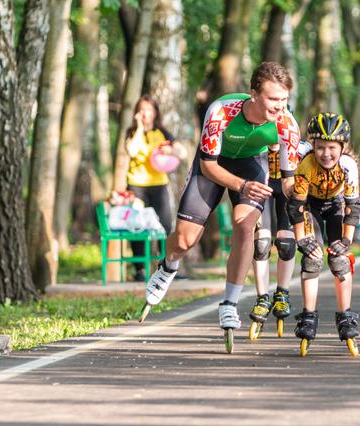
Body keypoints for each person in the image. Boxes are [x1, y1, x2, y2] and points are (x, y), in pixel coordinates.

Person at [140, 62, 301, 353]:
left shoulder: (287, 124)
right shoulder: (221, 112)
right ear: (253, 94)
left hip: (253, 164)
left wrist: (304, 197)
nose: (279, 106)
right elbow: (208, 164)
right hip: (214, 166)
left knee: (245, 225)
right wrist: (241, 186)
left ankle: (229, 302)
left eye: (284, 99)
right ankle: (168, 265)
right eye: (273, 99)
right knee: (186, 240)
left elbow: (289, 181)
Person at [288, 112, 360, 357]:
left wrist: (346, 240)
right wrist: (301, 239)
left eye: (332, 147)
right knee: (311, 259)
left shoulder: (348, 166)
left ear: (342, 147)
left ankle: (346, 316)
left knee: (340, 259)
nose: (326, 153)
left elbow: (353, 207)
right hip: (309, 205)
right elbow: (296, 207)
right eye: (320, 147)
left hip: (336, 205)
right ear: (312, 146)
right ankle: (308, 316)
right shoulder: (306, 165)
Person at [125, 94, 188, 282]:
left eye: (149, 110)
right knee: (137, 228)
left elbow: (182, 152)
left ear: (155, 113)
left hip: (159, 185)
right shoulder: (131, 132)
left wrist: (171, 150)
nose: (145, 114)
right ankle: (140, 270)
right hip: (137, 185)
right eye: (142, 110)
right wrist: (138, 128)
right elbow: (132, 150)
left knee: (165, 226)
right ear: (137, 112)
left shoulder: (163, 132)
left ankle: (167, 269)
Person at [248, 143, 296, 339]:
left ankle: (282, 294)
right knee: (261, 242)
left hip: (287, 186)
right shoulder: (256, 135)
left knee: (286, 244)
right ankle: (262, 298)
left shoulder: (293, 138)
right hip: (261, 185)